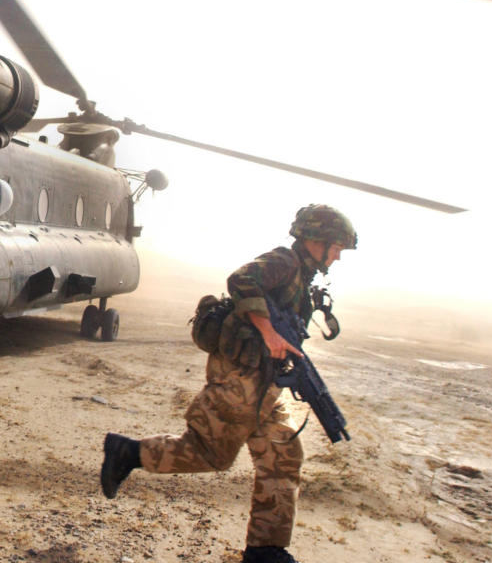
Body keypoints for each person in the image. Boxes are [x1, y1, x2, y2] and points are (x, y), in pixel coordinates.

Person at [100, 204, 358, 563]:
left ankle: (265, 551)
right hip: (242, 379)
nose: (338, 256)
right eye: (336, 247)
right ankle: (128, 453)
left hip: (264, 385)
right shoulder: (284, 261)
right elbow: (241, 279)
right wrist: (268, 332)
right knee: (209, 453)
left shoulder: (302, 276)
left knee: (283, 455)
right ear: (317, 239)